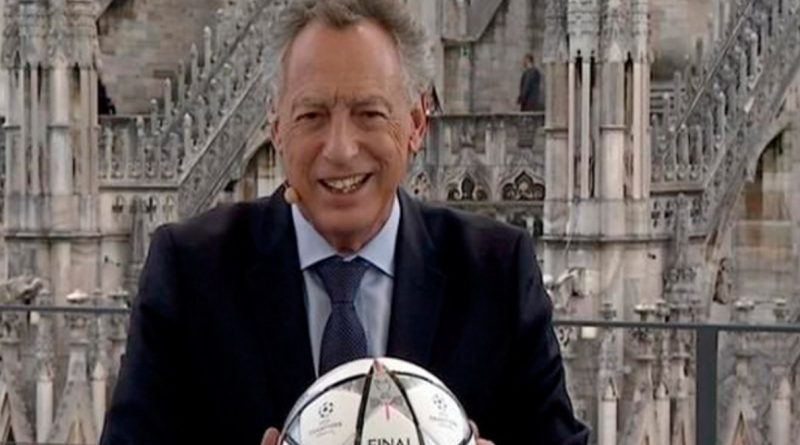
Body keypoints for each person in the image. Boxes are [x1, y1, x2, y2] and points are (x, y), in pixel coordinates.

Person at [100, 1, 588, 444]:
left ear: (417, 122)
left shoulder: (496, 271)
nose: (339, 149)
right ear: (276, 127)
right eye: (311, 115)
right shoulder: (190, 271)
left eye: (369, 113)